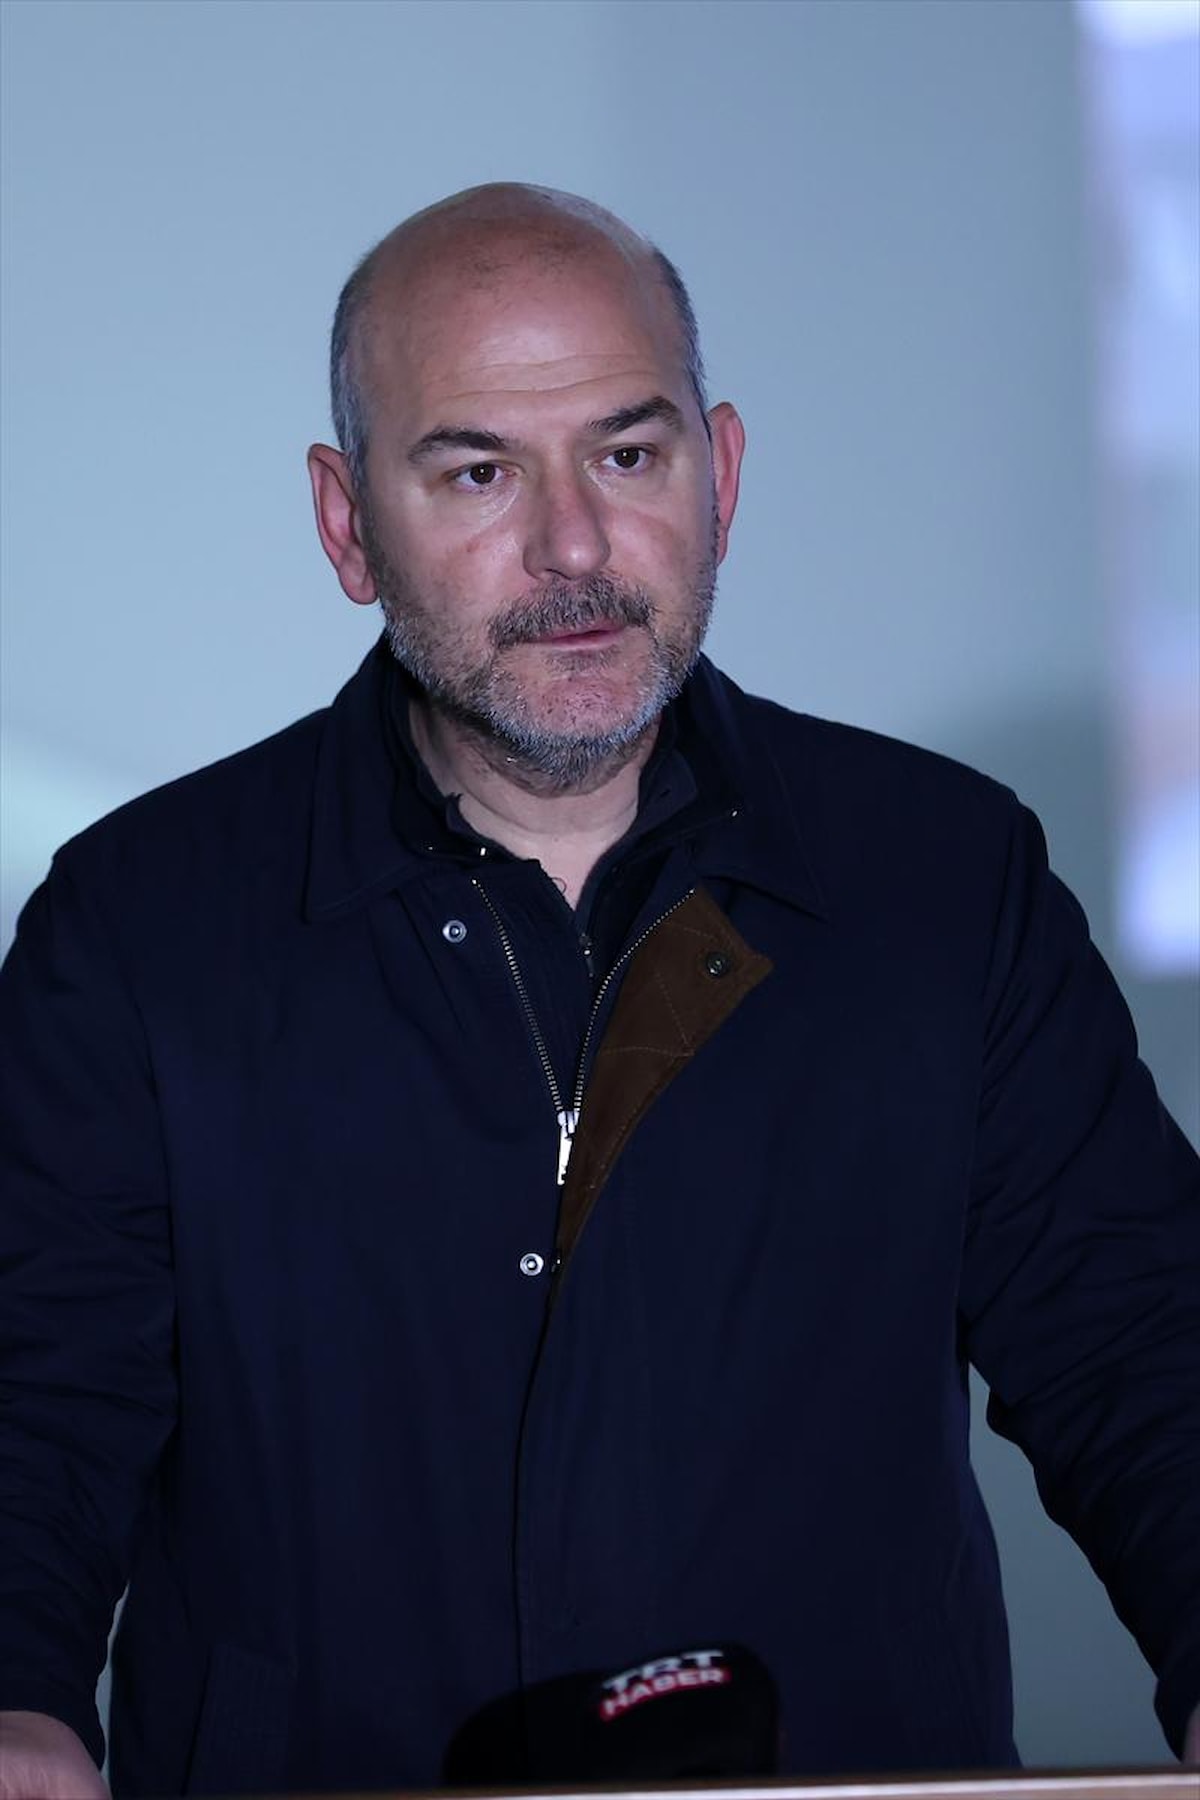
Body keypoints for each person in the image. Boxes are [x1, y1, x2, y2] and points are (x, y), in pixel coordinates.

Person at [1, 182, 1197, 1798]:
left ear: (723, 476)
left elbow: (1141, 1341)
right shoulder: (143, 926)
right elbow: (34, 1392)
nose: (573, 548)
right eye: (479, 472)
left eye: (628, 457)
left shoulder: (944, 880)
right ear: (348, 526)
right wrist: (16, 1700)